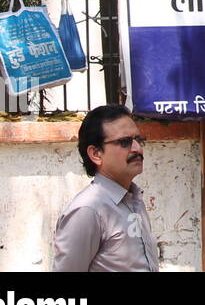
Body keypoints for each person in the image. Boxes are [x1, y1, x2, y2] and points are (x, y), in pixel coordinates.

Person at [52, 104, 159, 272]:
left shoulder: (134, 200)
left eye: (139, 140)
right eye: (125, 142)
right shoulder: (88, 210)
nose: (137, 148)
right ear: (96, 154)